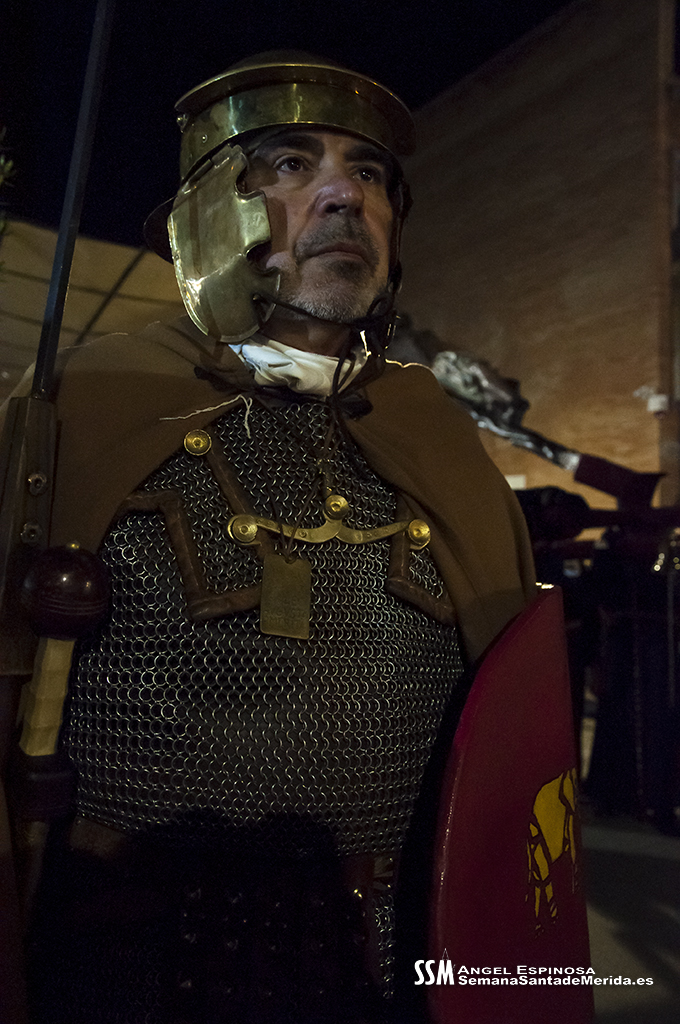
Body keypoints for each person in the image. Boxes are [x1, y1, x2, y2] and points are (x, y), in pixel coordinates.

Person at [4, 52, 535, 1024]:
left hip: (384, 951)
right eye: (291, 163)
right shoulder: (83, 405)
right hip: (136, 954)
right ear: (211, 210)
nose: (345, 195)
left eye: (369, 173)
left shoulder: (436, 436)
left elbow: (511, 746)